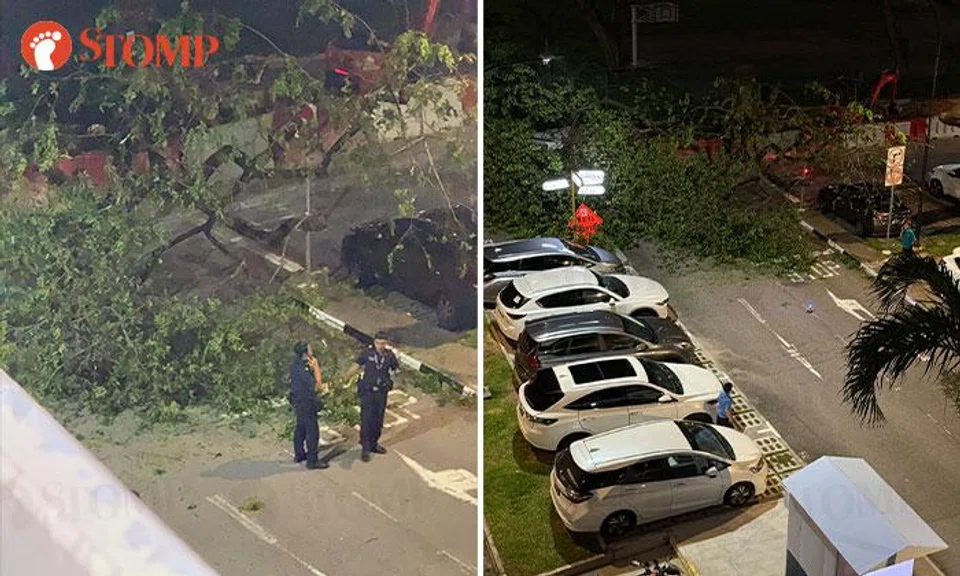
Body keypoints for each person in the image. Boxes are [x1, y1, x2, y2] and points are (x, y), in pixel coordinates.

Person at [355, 331, 400, 462]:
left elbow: (395, 369)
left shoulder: (390, 356)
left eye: (383, 343)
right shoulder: (367, 353)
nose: (380, 346)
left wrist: (393, 376)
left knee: (378, 419)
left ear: (386, 343)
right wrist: (343, 379)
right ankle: (365, 447)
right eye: (378, 343)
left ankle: (374, 443)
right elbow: (357, 365)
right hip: (368, 391)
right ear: (374, 342)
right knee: (366, 419)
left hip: (381, 392)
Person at [290, 341, 328, 470]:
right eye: (309, 348)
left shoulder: (295, 364)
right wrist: (316, 367)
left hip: (297, 401)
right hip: (307, 402)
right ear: (305, 353)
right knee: (312, 431)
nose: (312, 349)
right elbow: (318, 385)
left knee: (300, 427)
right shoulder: (304, 370)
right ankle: (312, 461)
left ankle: (299, 453)